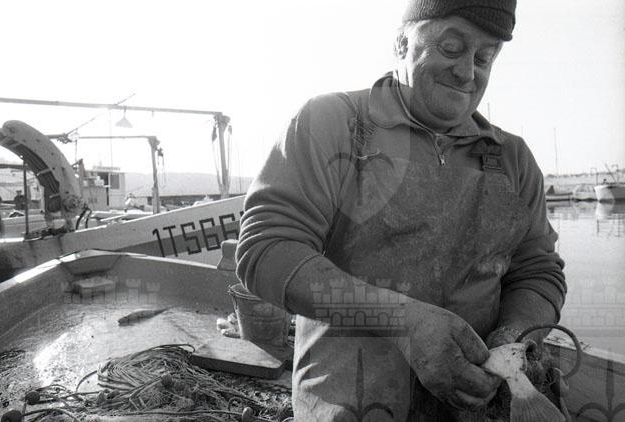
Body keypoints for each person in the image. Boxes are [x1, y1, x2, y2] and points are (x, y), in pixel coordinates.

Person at [236, 1, 566, 420]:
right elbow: (267, 251)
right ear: (401, 43)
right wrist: (402, 321)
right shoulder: (332, 123)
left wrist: (515, 337)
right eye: (450, 47)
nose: (467, 72)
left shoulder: (513, 158)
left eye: (484, 58)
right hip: (350, 407)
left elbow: (538, 270)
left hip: (478, 412)